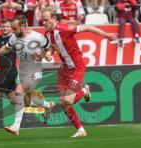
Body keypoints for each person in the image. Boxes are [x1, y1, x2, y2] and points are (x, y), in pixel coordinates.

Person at [41, 9, 117, 137]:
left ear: (53, 18)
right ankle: (81, 130)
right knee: (63, 103)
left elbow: (87, 27)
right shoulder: (48, 34)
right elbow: (53, 46)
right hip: (64, 69)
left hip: (76, 67)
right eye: (42, 20)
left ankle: (85, 91)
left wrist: (106, 35)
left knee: (67, 100)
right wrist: (48, 53)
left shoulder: (64, 28)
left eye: (46, 20)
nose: (44, 23)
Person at [0, 18, 54, 131]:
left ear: (23, 27)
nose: (12, 31)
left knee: (8, 93)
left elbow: (50, 48)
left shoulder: (37, 37)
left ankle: (11, 126)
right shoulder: (13, 37)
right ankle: (47, 105)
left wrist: (46, 55)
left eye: (13, 28)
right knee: (22, 101)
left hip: (33, 72)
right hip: (21, 73)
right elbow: (5, 48)